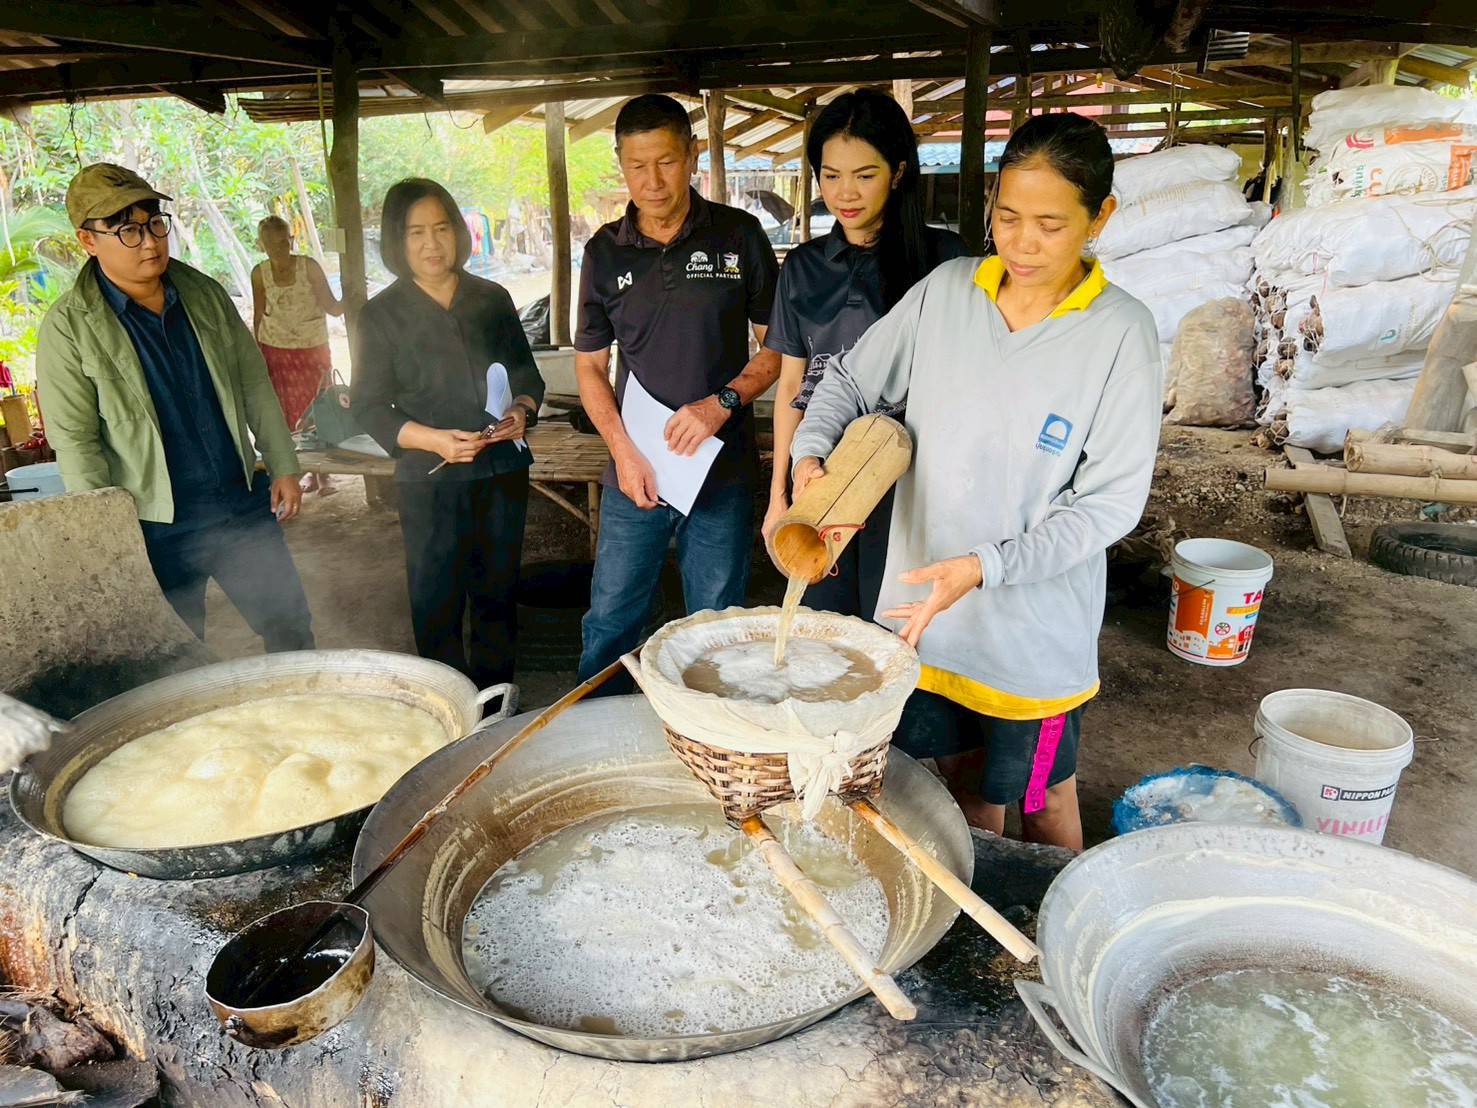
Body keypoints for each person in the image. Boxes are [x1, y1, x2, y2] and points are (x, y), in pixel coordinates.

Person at [790, 114, 1162, 850]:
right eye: (1007, 216)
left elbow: (1110, 503)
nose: (1022, 243)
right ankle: (975, 944)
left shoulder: (1121, 332)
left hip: (1029, 639)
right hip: (922, 626)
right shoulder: (948, 290)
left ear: (1100, 217)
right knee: (959, 795)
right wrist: (811, 453)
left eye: (1050, 225)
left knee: (1044, 798)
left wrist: (986, 567)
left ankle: (1054, 941)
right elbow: (848, 381)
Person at [38, 163, 314, 652]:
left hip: (237, 500)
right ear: (88, 240)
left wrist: (284, 464)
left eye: (154, 223)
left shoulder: (203, 294)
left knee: (289, 626)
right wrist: (108, 535)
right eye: (126, 230)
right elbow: (75, 442)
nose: (149, 241)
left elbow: (254, 384)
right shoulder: (68, 328)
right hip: (154, 521)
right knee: (176, 654)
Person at [574, 94, 781, 684]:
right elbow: (590, 367)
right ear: (620, 162)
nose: (652, 180)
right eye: (636, 165)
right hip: (634, 471)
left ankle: (709, 751)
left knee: (714, 626)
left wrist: (723, 403)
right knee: (613, 617)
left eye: (666, 161)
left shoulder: (739, 236)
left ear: (691, 154)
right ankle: (592, 739)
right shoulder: (603, 251)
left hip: (720, 472)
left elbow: (778, 348)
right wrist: (623, 451)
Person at [762, 89, 965, 618]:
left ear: (898, 172)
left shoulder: (948, 264)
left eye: (864, 174)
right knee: (825, 631)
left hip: (916, 492)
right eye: (830, 175)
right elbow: (792, 388)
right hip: (823, 479)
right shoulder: (803, 267)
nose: (844, 192)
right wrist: (780, 494)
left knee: (898, 632)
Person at [352, 178, 544, 689]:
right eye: (415, 232)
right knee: (436, 598)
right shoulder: (380, 315)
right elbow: (369, 406)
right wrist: (434, 439)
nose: (431, 243)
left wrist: (522, 409)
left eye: (440, 228)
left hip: (501, 472)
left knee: (497, 594)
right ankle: (447, 705)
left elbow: (526, 374)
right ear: (397, 241)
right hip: (428, 480)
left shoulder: (492, 298)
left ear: (458, 232)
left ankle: (496, 701)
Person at [251, 214, 342, 494]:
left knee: (319, 409)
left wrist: (353, 298)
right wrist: (257, 351)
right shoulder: (259, 273)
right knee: (286, 414)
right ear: (261, 244)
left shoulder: (309, 267)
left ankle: (323, 475)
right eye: (271, 243)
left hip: (312, 349)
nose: (278, 248)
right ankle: (301, 470)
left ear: (291, 240)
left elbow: (332, 307)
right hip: (276, 351)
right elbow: (258, 316)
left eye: (283, 241)